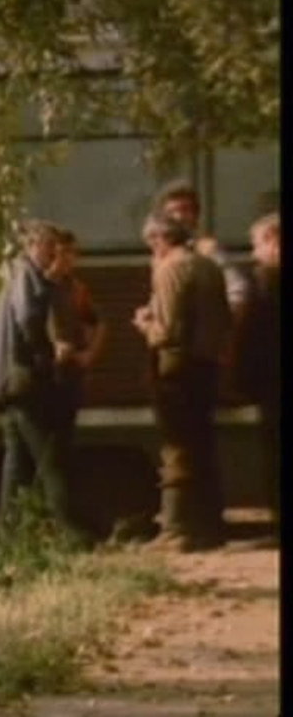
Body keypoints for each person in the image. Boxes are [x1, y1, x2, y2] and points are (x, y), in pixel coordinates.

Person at [0, 220, 88, 541]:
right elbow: (28, 319)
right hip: (25, 377)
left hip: (12, 378)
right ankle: (71, 529)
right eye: (48, 246)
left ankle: (9, 530)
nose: (52, 253)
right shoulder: (25, 273)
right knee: (49, 455)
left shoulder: (19, 273)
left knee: (17, 458)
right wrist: (48, 357)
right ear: (32, 245)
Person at [132, 213, 231, 552]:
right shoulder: (209, 266)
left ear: (159, 240)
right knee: (203, 445)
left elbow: (167, 331)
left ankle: (176, 528)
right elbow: (224, 318)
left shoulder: (171, 268)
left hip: (176, 369)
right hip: (207, 366)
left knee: (176, 445)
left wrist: (145, 324)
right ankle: (210, 526)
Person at [45, 229, 107, 496]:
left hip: (69, 374)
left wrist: (89, 355)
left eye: (73, 253)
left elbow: (99, 322)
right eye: (64, 252)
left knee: (62, 439)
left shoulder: (76, 288)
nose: (70, 259)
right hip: (46, 373)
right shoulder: (39, 286)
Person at [232, 212, 280, 537]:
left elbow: (253, 336)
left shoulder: (265, 281)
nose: (254, 253)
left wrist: (241, 377)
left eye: (258, 244)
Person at [153, 179, 248, 313]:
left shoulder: (208, 249)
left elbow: (238, 289)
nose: (179, 216)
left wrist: (222, 320)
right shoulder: (161, 253)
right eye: (172, 211)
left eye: (185, 209)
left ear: (196, 215)